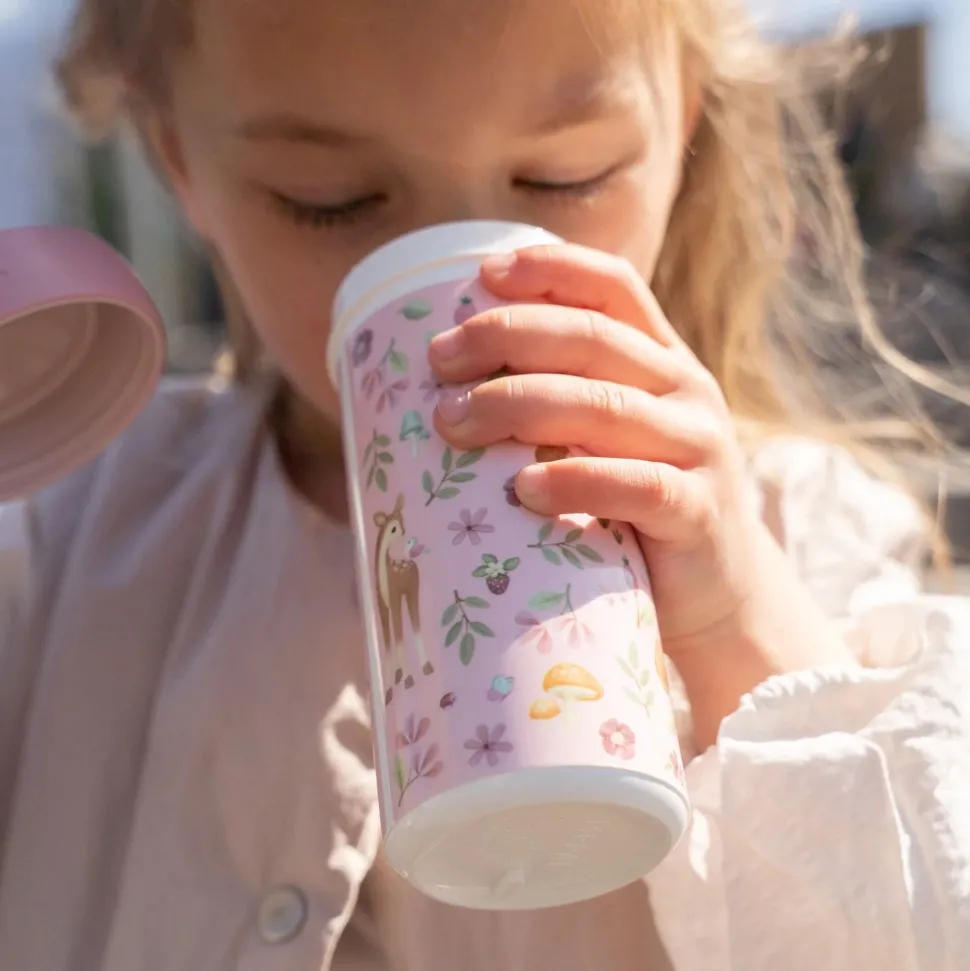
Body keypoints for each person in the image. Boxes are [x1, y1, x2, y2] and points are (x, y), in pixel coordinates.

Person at [0, 0, 967, 968]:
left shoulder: (800, 531)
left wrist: (739, 627)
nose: (466, 290)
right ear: (180, 162)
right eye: (329, 197)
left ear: (680, 124)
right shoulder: (70, 537)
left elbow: (908, 929)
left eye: (564, 177)